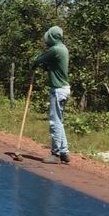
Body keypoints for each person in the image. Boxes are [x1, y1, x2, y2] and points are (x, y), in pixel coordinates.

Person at [32, 25, 70, 164]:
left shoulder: (55, 49)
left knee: (54, 122)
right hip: (64, 88)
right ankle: (64, 151)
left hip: (58, 90)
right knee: (60, 120)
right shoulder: (63, 49)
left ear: (52, 37)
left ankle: (56, 153)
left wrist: (36, 64)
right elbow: (53, 66)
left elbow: (37, 59)